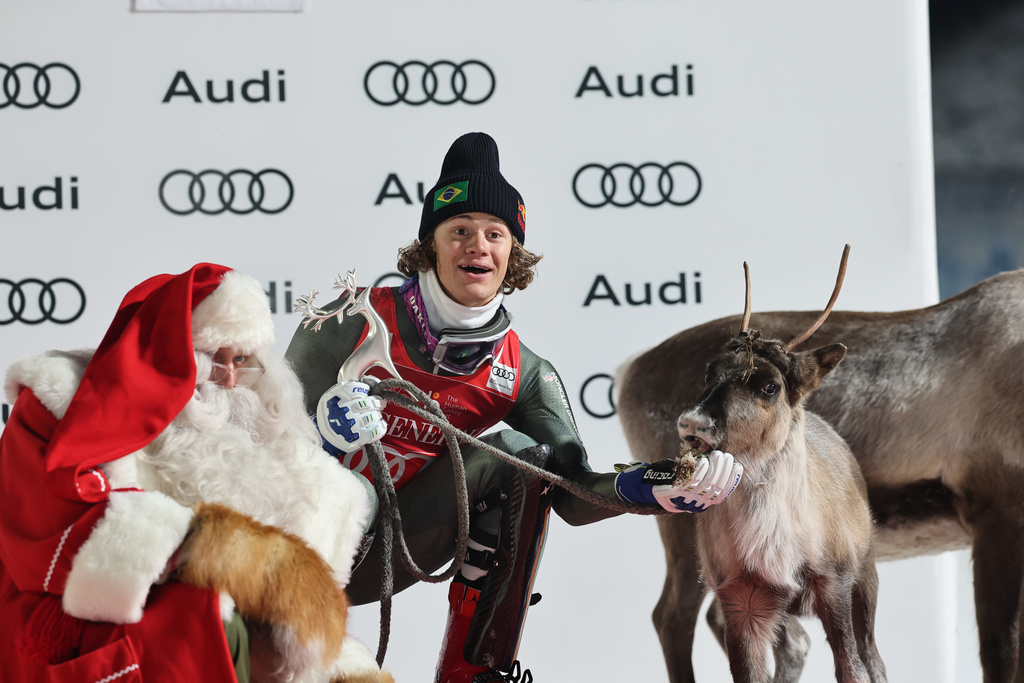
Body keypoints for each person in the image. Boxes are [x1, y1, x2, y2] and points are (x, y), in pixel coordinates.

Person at [285, 132, 744, 683]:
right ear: (430, 246)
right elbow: (256, 440)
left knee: (523, 458)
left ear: (511, 253)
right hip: (292, 545)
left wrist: (651, 487)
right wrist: (316, 434)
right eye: (459, 231)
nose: (477, 246)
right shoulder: (350, 321)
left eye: (494, 234)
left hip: (396, 550)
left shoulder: (523, 372)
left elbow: (573, 493)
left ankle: (474, 671)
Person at [0, 263, 390, 683]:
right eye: (210, 358)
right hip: (116, 636)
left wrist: (348, 669)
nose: (228, 378)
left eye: (241, 358)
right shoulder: (62, 406)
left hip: (234, 653)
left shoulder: (299, 469)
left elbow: (299, 633)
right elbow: (50, 539)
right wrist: (237, 552)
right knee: (208, 613)